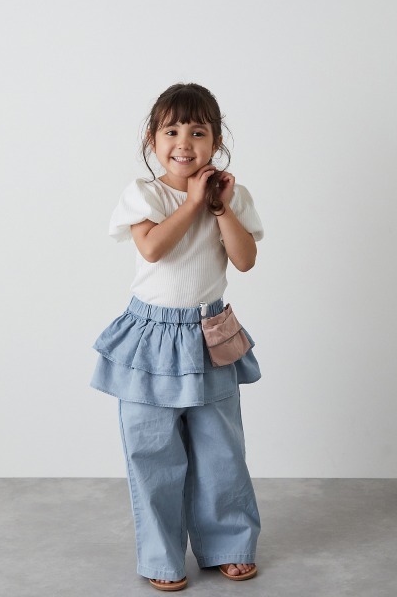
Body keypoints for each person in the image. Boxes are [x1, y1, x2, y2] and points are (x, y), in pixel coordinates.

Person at [90, 82, 264, 591]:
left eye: (198, 131)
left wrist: (218, 207)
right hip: (151, 338)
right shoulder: (144, 194)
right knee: (153, 453)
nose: (184, 143)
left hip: (211, 332)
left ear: (216, 142)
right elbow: (152, 249)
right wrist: (191, 202)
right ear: (153, 139)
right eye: (171, 131)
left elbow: (245, 260)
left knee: (220, 450)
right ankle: (161, 557)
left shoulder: (231, 197)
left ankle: (229, 545)